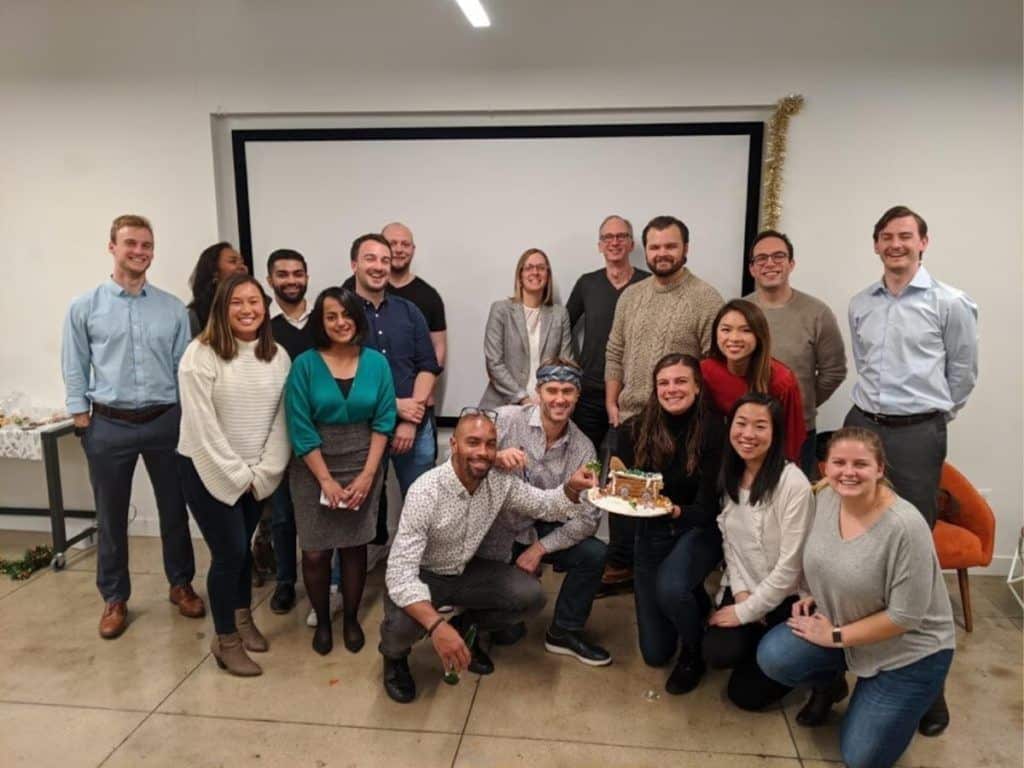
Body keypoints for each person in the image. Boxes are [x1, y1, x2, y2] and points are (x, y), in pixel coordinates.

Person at [846, 206, 977, 737]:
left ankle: (927, 685)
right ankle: (843, 665)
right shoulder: (860, 303)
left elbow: (963, 374)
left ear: (924, 242)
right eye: (886, 237)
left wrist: (926, 419)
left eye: (905, 236)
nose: (895, 244)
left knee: (914, 556)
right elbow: (862, 364)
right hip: (863, 425)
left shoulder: (950, 303)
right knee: (853, 543)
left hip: (918, 433)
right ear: (875, 244)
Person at [757, 427, 956, 768]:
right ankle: (831, 685)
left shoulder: (906, 526)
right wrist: (810, 592)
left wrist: (834, 637)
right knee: (775, 656)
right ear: (826, 467)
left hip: (907, 651)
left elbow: (905, 617)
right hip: (847, 629)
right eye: (839, 462)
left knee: (861, 758)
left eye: (860, 464)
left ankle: (926, 692)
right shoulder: (824, 498)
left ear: (880, 469)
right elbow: (822, 556)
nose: (848, 472)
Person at [378, 410, 596, 703]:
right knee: (402, 626)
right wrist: (437, 626)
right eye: (473, 442)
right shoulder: (426, 492)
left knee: (530, 596)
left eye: (490, 444)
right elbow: (399, 574)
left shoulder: (499, 482)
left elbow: (545, 506)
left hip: (467, 570)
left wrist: (571, 488)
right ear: (454, 444)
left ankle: (466, 625)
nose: (483, 452)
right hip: (424, 575)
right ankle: (394, 658)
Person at [61, 214, 204, 640]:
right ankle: (114, 597)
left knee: (174, 509)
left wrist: (188, 418)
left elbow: (183, 369)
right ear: (112, 247)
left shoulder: (172, 309)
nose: (140, 252)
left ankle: (180, 584)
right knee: (111, 516)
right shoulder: (84, 307)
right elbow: (74, 363)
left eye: (146, 245)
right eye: (131, 244)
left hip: (165, 420)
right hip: (109, 424)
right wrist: (80, 416)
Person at [176, 274, 291, 676]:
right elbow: (202, 429)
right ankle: (225, 640)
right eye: (236, 302)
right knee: (229, 554)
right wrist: (238, 474)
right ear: (221, 309)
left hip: (256, 475)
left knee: (242, 552)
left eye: (254, 301)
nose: (247, 310)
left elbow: (282, 421)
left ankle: (242, 619)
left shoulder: (277, 355)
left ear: (265, 307)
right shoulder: (200, 356)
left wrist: (262, 473)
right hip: (207, 469)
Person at [604, 215, 723, 593]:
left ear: (686, 249)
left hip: (678, 424)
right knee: (624, 503)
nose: (662, 253)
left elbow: (712, 364)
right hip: (631, 418)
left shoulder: (706, 298)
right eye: (655, 247)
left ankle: (673, 580)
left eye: (671, 246)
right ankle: (627, 571)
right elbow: (615, 351)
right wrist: (611, 402)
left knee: (667, 506)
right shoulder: (631, 296)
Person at [285, 287, 396, 655]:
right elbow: (300, 427)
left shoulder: (376, 363)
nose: (340, 322)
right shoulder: (304, 364)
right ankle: (322, 619)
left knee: (353, 547)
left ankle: (350, 619)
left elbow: (384, 421)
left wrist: (368, 475)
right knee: (315, 552)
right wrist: (326, 480)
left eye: (347, 315)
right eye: (331, 316)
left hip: (364, 462)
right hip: (312, 466)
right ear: (321, 322)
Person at [479, 359, 610, 665]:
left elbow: (589, 517)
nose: (559, 399)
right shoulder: (506, 418)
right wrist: (494, 456)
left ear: (577, 396)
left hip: (538, 529)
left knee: (594, 554)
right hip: (494, 527)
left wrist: (539, 549)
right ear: (538, 392)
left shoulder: (584, 448)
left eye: (568, 391)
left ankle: (565, 631)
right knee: (508, 633)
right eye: (552, 390)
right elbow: (459, 454)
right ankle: (474, 620)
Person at [619, 354, 725, 694]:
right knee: (655, 653)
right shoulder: (635, 429)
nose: (671, 389)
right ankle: (694, 600)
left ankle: (693, 653)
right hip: (651, 533)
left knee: (671, 588)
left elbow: (707, 508)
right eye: (663, 383)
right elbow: (627, 491)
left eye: (681, 381)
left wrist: (675, 511)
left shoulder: (714, 429)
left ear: (697, 387)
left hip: (696, 528)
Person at [705, 393, 814, 710]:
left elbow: (791, 567)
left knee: (745, 696)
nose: (748, 434)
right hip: (745, 586)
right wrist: (741, 594)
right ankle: (758, 643)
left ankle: (825, 679)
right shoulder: (730, 473)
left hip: (788, 597)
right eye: (741, 424)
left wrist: (746, 612)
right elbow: (730, 544)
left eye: (760, 426)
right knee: (717, 653)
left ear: (776, 433)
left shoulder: (793, 484)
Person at [349, 233, 442, 545]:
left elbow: (427, 365)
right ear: (354, 264)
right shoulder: (341, 313)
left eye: (385, 260)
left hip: (414, 429)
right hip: (360, 428)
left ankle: (418, 566)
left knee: (421, 508)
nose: (379, 266)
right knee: (355, 511)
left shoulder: (409, 311)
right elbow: (340, 374)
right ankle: (350, 571)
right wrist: (395, 407)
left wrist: (409, 418)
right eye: (370, 259)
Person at [744, 230, 846, 475]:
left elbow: (833, 372)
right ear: (752, 269)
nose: (770, 263)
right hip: (747, 431)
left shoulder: (817, 313)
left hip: (797, 431)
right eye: (761, 258)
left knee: (795, 495)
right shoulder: (739, 311)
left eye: (778, 256)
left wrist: (800, 402)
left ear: (791, 264)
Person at [566, 215, 649, 453]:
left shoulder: (649, 283)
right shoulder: (587, 283)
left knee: (627, 463)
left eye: (621, 236)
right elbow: (563, 327)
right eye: (608, 237)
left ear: (631, 244)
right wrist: (572, 367)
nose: (614, 242)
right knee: (585, 460)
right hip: (589, 392)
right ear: (600, 245)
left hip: (633, 393)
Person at [264, 248, 315, 615]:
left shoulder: (324, 321)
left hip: (320, 433)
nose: (291, 280)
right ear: (270, 281)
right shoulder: (262, 328)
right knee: (282, 514)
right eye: (283, 274)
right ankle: (285, 581)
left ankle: (323, 581)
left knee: (320, 513)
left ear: (307, 277)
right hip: (278, 434)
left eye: (298, 273)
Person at [700, 299, 806, 462]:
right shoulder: (704, 371)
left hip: (764, 464)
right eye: (726, 330)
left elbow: (792, 443)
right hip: (715, 462)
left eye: (746, 330)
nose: (734, 338)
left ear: (759, 335)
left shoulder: (782, 381)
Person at [479, 248, 574, 408]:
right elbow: (494, 364)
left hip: (547, 406)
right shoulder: (501, 310)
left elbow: (565, 363)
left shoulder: (560, 314)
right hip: (503, 404)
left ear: (548, 275)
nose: (535, 272)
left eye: (541, 268)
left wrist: (548, 398)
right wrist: (524, 399)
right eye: (529, 267)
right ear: (520, 275)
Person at [187, 242, 248, 337]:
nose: (242, 267)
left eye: (242, 263)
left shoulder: (254, 308)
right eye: (233, 261)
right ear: (214, 271)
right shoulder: (195, 317)